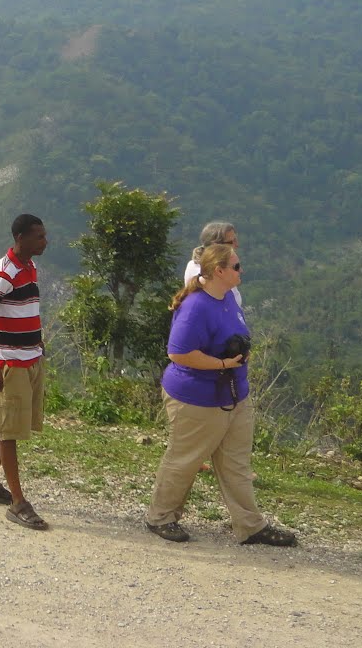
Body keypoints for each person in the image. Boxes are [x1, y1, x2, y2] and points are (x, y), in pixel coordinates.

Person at [144, 238, 297, 546]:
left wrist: (239, 355)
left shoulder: (227, 297)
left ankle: (250, 525)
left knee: (236, 463)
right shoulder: (195, 307)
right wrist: (222, 362)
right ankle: (160, 516)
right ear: (218, 270)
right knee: (184, 458)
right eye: (236, 266)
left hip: (234, 395)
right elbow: (178, 352)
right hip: (197, 399)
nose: (241, 270)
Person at [0, 213, 49, 530]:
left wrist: (37, 346)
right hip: (10, 364)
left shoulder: (29, 268)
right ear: (22, 238)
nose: (45, 241)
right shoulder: (4, 274)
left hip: (29, 359)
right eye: (39, 236)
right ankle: (18, 502)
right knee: (9, 432)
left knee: (4, 425)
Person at [183, 221, 242, 308]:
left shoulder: (219, 266)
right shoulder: (200, 269)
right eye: (231, 242)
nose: (237, 245)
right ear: (215, 245)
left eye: (236, 240)